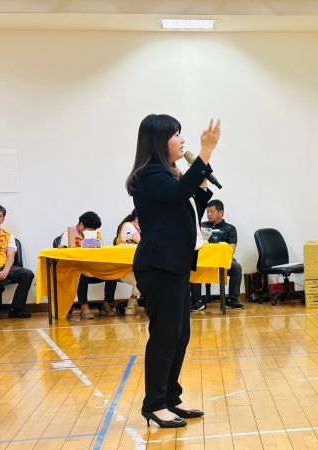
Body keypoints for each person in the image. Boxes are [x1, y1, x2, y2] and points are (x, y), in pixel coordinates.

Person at [126, 114, 221, 428]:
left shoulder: (169, 174)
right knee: (165, 336)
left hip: (174, 264)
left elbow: (186, 207)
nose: (182, 140)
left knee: (179, 335)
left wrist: (201, 183)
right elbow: (178, 195)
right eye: (176, 134)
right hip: (158, 264)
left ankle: (170, 398)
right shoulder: (149, 174)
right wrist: (206, 151)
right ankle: (154, 404)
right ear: (158, 140)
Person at [59, 211, 118, 319]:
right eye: (89, 229)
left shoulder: (97, 233)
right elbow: (65, 256)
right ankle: (84, 306)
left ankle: (107, 304)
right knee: (82, 274)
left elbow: (101, 252)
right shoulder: (69, 234)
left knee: (112, 272)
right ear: (81, 225)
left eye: (93, 230)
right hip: (76, 269)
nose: (91, 232)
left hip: (93, 267)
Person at [190, 199, 245, 311]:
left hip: (222, 260)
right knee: (193, 266)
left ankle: (232, 299)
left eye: (212, 212)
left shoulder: (230, 228)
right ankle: (196, 300)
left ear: (221, 213)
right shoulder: (201, 226)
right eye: (207, 212)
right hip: (204, 260)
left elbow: (231, 249)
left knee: (236, 267)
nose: (209, 215)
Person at [0, 205, 34, 318]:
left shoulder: (8, 236)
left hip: (3, 267)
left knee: (27, 274)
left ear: (3, 219)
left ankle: (16, 309)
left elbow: (10, 256)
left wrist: (5, 271)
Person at [116, 210, 142, 315]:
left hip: (137, 267)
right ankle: (132, 300)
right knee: (144, 280)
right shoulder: (128, 226)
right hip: (124, 269)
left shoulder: (138, 227)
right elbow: (142, 242)